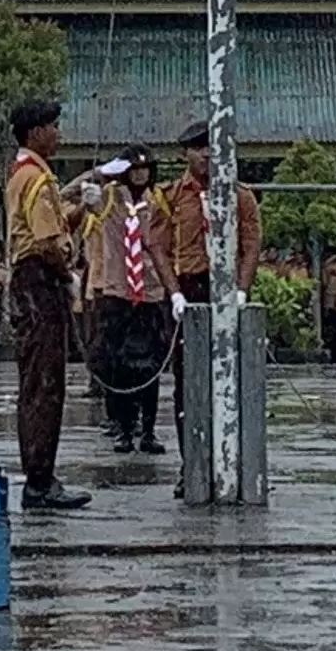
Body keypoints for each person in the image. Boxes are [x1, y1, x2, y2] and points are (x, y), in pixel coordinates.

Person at [2, 101, 90, 510]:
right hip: (39, 283)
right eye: (52, 126)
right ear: (34, 132)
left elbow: (51, 227)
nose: (58, 132)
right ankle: (39, 480)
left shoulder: (26, 174)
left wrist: (78, 211)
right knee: (43, 383)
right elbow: (44, 242)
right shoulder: (37, 179)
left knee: (38, 381)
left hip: (31, 282)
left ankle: (41, 474)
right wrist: (66, 273)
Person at [159, 124, 260, 429]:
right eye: (197, 148)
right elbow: (158, 248)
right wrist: (174, 292)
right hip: (189, 287)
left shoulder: (240, 196)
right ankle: (191, 462)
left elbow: (251, 245)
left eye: (211, 147)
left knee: (230, 372)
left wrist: (242, 289)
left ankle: (227, 456)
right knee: (188, 376)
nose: (206, 154)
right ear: (184, 154)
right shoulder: (170, 196)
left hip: (226, 287)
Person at [86, 156, 171, 453]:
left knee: (150, 366)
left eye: (144, 168)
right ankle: (122, 428)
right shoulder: (109, 196)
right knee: (116, 364)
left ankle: (148, 430)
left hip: (149, 292)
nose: (139, 174)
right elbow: (68, 194)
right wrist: (99, 172)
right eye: (133, 168)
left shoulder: (158, 199)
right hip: (117, 292)